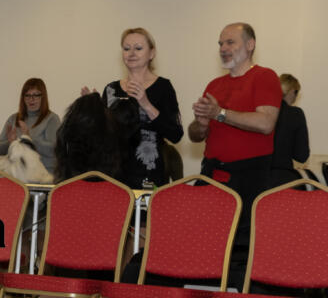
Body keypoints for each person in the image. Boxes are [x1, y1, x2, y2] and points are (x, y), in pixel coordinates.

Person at [189, 22, 281, 231]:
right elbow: (195, 136)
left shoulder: (264, 76)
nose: (223, 48)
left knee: (241, 241)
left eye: (230, 42)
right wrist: (201, 125)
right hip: (212, 172)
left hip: (248, 177)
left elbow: (266, 123)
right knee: (204, 236)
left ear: (250, 45)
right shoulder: (214, 85)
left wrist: (219, 113)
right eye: (220, 44)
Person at [98, 28, 183, 188]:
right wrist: (90, 109)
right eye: (126, 48)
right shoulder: (111, 89)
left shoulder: (163, 87)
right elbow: (102, 138)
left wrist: (146, 104)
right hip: (115, 174)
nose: (131, 53)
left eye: (138, 48)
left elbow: (175, 134)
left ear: (151, 53)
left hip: (149, 173)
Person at [0, 78, 60, 176]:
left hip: (43, 177)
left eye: (36, 95)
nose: (31, 99)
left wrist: (29, 139)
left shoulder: (52, 119)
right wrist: (10, 142)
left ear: (43, 97)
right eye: (27, 95)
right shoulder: (13, 119)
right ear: (23, 98)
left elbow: (54, 150)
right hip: (15, 177)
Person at [271, 73, 310, 186]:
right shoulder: (295, 114)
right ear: (292, 91)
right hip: (282, 178)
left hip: (254, 177)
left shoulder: (259, 111)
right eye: (297, 93)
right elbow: (301, 155)